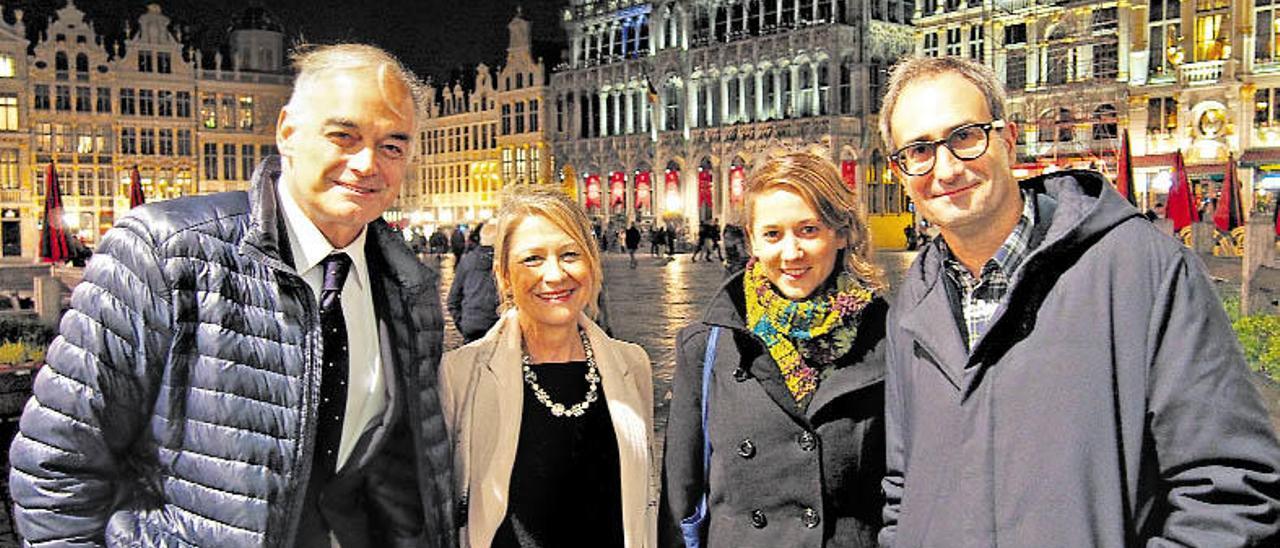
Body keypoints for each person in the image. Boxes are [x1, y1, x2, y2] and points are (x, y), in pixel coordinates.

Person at [9, 44, 455, 546]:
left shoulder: (407, 286)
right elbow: (55, 461)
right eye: (343, 136)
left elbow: (400, 470)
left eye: (393, 145)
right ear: (287, 131)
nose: (367, 163)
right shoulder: (163, 253)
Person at [877, 55, 1280, 547]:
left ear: (1007, 140)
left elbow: (1230, 488)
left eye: (964, 136)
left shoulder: (1142, 269)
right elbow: (903, 487)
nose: (945, 167)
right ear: (900, 172)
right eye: (918, 150)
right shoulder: (911, 305)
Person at [664, 152, 888, 547]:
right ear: (750, 239)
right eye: (772, 234)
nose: (790, 253)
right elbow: (681, 499)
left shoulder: (887, 337)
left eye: (808, 230)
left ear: (841, 233)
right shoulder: (708, 345)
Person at [440, 186, 655, 548]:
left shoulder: (632, 365)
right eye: (532, 259)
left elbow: (642, 504)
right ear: (504, 275)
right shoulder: (460, 374)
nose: (555, 275)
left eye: (570, 254)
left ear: (592, 263)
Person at [449, 222, 501, 343]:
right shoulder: (506, 262)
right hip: (498, 325)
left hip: (471, 324)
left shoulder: (467, 261)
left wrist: (462, 322)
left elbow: (453, 300)